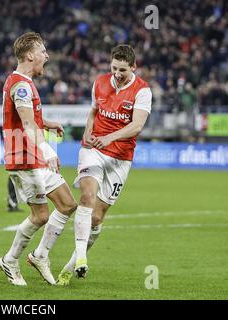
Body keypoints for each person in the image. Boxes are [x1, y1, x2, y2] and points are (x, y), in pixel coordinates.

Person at [0, 32, 92, 286]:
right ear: (29, 55)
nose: (47, 56)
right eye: (42, 51)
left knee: (67, 204)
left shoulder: (24, 82)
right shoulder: (20, 85)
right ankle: (10, 259)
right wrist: (49, 151)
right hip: (26, 159)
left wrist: (46, 123)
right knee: (40, 215)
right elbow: (26, 123)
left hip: (33, 156)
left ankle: (40, 255)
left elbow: (28, 119)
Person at [56, 44, 152, 285]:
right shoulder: (99, 82)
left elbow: (137, 125)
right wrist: (89, 130)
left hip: (120, 158)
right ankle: (80, 260)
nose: (117, 74)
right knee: (87, 196)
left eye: (122, 70)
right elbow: (93, 111)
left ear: (133, 67)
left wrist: (110, 137)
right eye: (114, 68)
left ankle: (69, 267)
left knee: (97, 218)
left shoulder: (142, 91)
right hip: (94, 150)